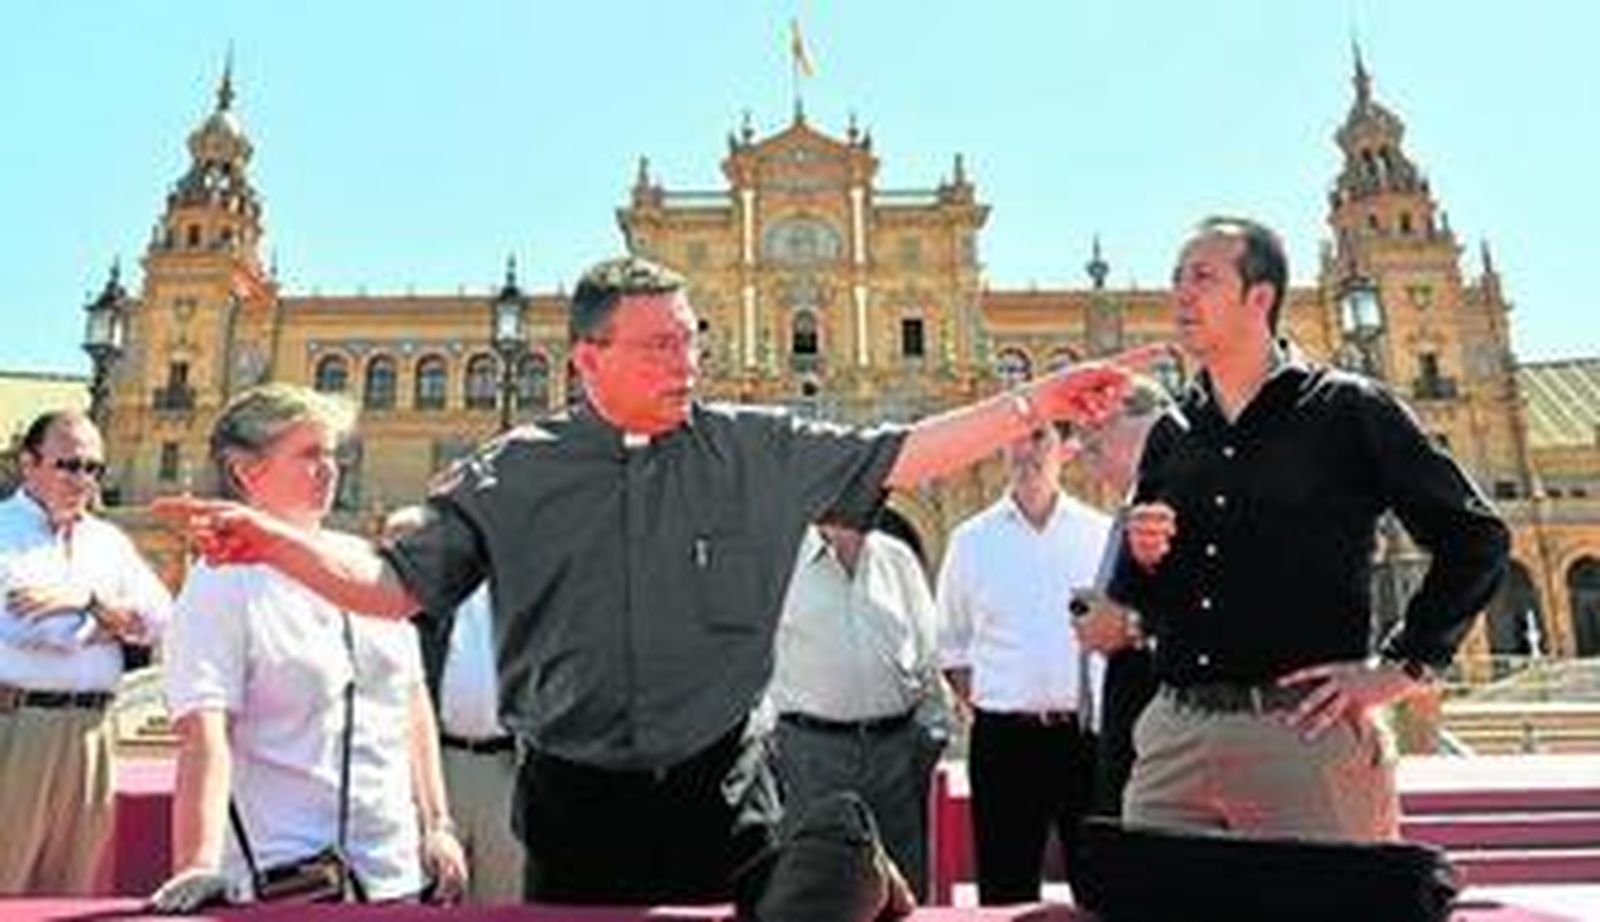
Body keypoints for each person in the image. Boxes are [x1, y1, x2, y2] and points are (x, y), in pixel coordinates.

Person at [154, 256, 1151, 912]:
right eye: (660, 343)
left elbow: (905, 450)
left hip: (726, 796)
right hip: (573, 806)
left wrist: (1032, 401)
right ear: (588, 357)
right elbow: (390, 582)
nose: (688, 359)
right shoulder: (517, 469)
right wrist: (277, 543)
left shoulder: (755, 449)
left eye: (693, 338)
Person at [1110, 216, 1510, 840]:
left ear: (1260, 297)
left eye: (1202, 277)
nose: (1180, 294)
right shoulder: (1172, 431)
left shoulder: (1347, 409)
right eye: (1176, 279)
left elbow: (1475, 540)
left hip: (1302, 736)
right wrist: (1143, 558)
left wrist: (1403, 666)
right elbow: (1144, 597)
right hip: (1173, 739)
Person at [149, 384, 467, 911]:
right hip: (282, 873)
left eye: (334, 455)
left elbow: (410, 705)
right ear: (246, 471)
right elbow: (205, 734)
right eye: (309, 454)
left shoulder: (365, 564)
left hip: (393, 870)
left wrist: (438, 824)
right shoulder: (221, 583)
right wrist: (198, 866)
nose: (330, 469)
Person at [936, 421, 1109, 904]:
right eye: (1015, 437)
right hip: (1005, 741)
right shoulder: (970, 542)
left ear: (1066, 450)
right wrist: (1000, 703)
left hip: (1085, 737)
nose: (1025, 451)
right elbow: (952, 646)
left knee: (1098, 886)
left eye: (1039, 438)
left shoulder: (1098, 536)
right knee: (1004, 888)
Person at [0, 410, 172, 895]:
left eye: (94, 468)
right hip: (19, 728)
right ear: (28, 463)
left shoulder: (108, 540)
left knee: (71, 889)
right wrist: (114, 621)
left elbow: (161, 619)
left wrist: (84, 602)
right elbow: (37, 630)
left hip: (96, 729)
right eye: (69, 465)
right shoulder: (2, 532)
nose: (84, 480)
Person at [768, 519, 949, 902]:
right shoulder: (778, 558)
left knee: (903, 893)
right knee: (818, 894)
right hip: (811, 757)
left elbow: (930, 655)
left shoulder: (898, 559)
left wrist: (929, 736)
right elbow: (751, 659)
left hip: (896, 755)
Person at [385, 506, 522, 904]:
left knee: (504, 895)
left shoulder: (514, 593)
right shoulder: (418, 603)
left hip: (506, 768)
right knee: (434, 892)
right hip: (439, 766)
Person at [1067, 376, 1172, 817]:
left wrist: (1130, 625)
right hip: (1125, 738)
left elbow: (1222, 608)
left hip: (1163, 748)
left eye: (1096, 435)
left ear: (1148, 424)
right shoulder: (1132, 507)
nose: (1084, 450)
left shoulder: (1178, 504)